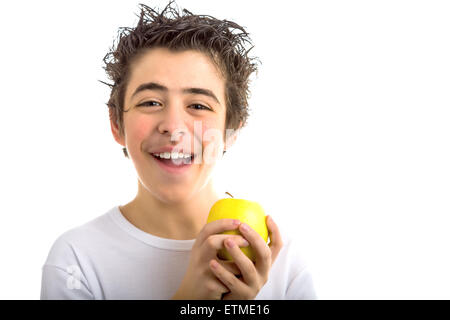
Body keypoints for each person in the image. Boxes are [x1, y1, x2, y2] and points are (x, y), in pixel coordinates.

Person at [40, 1, 317, 300]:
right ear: (117, 124)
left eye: (198, 105)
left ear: (232, 129)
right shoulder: (75, 261)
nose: (173, 127)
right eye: (150, 102)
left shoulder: (282, 259)